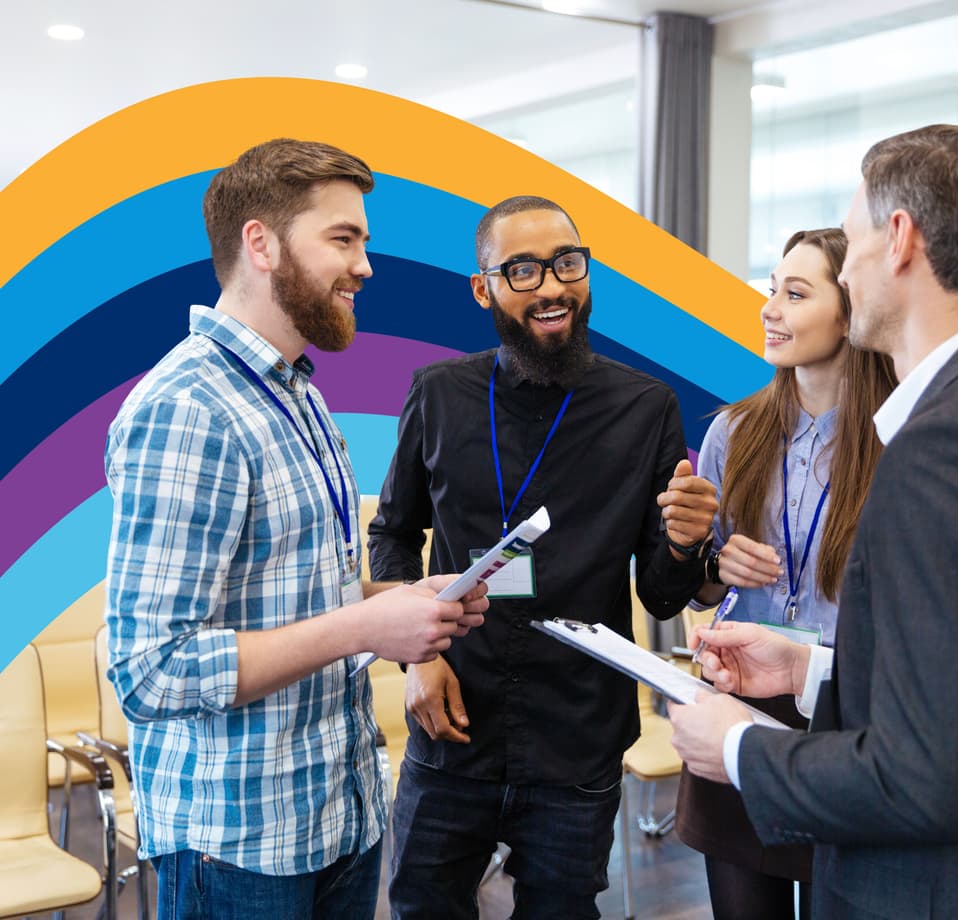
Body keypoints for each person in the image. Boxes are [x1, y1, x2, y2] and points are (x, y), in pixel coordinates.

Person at [669, 124, 958, 919]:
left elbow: (927, 779)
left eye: (853, 239)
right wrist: (807, 672)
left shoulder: (949, 447)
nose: (849, 262)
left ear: (901, 239)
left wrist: (737, 746)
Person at [104, 138, 487, 919]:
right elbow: (150, 671)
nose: (366, 266)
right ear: (262, 244)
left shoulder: (297, 393)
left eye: (364, 242)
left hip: (335, 818)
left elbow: (298, 592)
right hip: (239, 847)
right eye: (343, 239)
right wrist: (362, 625)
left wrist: (404, 600)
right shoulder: (189, 408)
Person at [367, 194, 719, 919]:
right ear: (484, 288)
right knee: (422, 906)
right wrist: (419, 658)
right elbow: (394, 535)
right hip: (452, 718)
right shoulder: (438, 393)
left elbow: (658, 595)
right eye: (522, 270)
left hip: (577, 735)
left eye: (567, 263)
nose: (552, 286)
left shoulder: (645, 407)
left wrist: (684, 544)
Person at [676, 228, 895, 919]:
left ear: (851, 310)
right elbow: (701, 585)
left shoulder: (902, 444)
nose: (770, 309)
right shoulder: (733, 433)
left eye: (795, 293)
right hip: (742, 700)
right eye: (771, 290)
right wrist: (708, 558)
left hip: (846, 716)